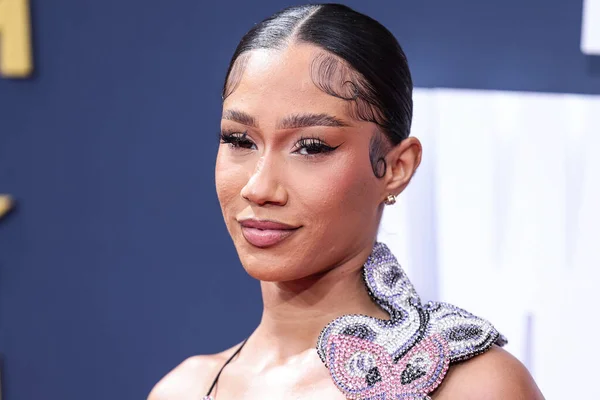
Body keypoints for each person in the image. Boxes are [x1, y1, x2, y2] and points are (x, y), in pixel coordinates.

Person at [148, 4, 544, 399]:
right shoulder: (183, 389)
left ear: (396, 167)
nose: (259, 186)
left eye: (311, 147)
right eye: (239, 141)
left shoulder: (471, 386)